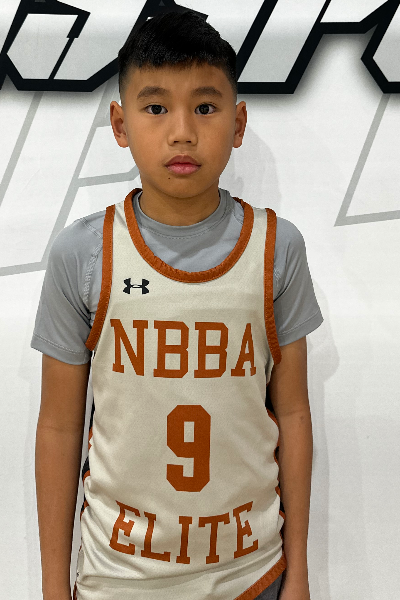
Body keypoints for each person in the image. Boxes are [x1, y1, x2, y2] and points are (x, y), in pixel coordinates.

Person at [32, 10, 323, 600]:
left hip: (252, 576)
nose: (182, 131)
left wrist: (298, 572)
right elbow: (59, 426)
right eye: (156, 107)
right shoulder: (82, 253)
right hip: (118, 580)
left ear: (238, 123)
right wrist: (51, 586)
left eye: (206, 107)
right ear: (120, 124)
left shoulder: (277, 248)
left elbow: (292, 414)